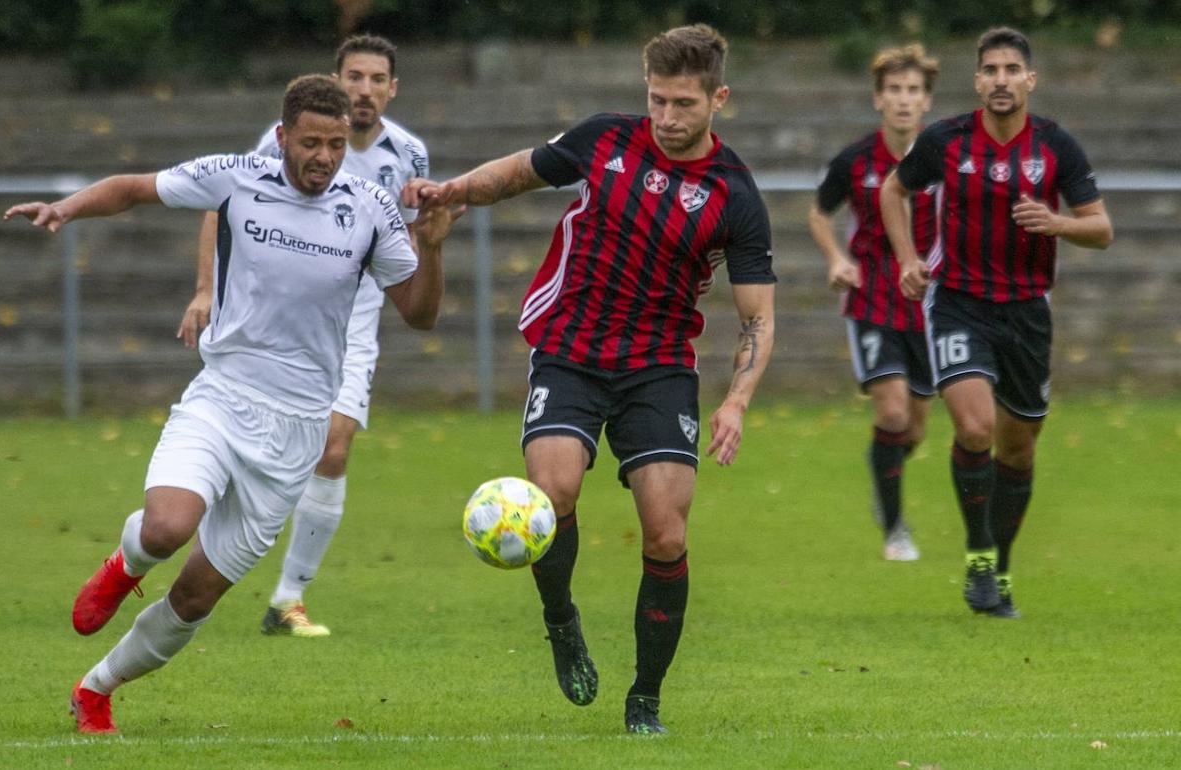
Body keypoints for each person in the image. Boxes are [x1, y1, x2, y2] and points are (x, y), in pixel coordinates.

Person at [5, 74, 457, 733]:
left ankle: (97, 689)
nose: (324, 157)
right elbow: (135, 188)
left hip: (297, 432)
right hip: (224, 396)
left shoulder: (368, 206)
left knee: (195, 597)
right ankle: (126, 563)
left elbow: (419, 313)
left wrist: (434, 247)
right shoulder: (237, 176)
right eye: (310, 143)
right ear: (282, 138)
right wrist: (66, 208)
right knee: (166, 527)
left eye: (335, 144)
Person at [404, 24, 776, 734]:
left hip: (661, 366)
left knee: (665, 533)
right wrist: (452, 191)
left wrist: (736, 399)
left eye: (684, 105)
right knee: (554, 491)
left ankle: (645, 700)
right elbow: (514, 174)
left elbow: (758, 318)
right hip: (570, 348)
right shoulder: (605, 139)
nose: (667, 118)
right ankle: (560, 618)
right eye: (657, 100)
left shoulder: (735, 194)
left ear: (718, 99)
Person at [176, 34, 430, 639]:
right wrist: (206, 288)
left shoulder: (410, 154)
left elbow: (411, 242)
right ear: (337, 82)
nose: (364, 88)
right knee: (252, 455)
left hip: (353, 321)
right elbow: (223, 203)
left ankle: (288, 600)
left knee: (334, 450)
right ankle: (192, 519)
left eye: (376, 79)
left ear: (392, 89)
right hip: (273, 320)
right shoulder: (281, 139)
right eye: (354, 77)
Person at [880, 27, 1113, 617]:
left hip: (1028, 312)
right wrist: (909, 258)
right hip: (958, 301)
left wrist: (1057, 223)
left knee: (1018, 450)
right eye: (991, 70)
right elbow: (892, 190)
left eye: (1013, 69)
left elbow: (1101, 228)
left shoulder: (1056, 146)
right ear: (978, 80)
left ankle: (999, 567)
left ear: (1029, 79)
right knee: (976, 429)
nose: (1001, 79)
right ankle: (978, 553)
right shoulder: (946, 140)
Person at [808, 44, 940, 562]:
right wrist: (837, 259)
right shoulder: (856, 160)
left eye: (913, 91)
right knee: (890, 411)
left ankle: (883, 468)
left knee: (914, 424)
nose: (903, 101)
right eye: (894, 91)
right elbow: (819, 213)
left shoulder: (946, 156)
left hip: (930, 303)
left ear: (926, 101)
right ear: (878, 99)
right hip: (874, 299)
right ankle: (895, 529)